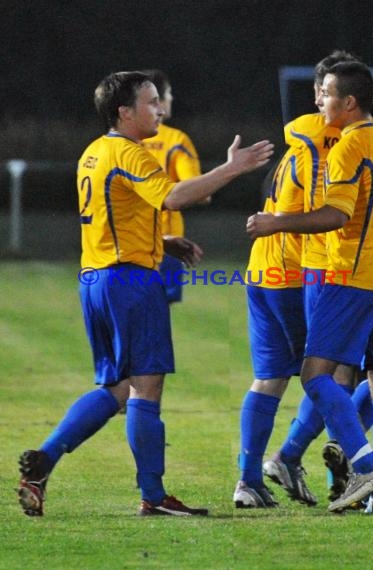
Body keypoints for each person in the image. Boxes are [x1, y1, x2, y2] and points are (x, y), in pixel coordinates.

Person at [17, 70, 273, 517]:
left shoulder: (94, 152)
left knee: (116, 387)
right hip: (131, 282)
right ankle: (153, 496)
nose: (159, 109)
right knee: (145, 387)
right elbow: (173, 197)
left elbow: (117, 211)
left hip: (97, 277)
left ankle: (46, 459)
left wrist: (162, 242)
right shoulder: (131, 152)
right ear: (125, 112)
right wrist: (231, 168)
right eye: (151, 102)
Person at [247, 60, 373, 512]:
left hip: (350, 277)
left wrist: (275, 223)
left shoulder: (349, 147)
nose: (318, 101)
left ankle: (365, 467)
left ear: (347, 102)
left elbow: (336, 215)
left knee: (317, 375)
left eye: (324, 93)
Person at [233, 140, 309, 508]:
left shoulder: (291, 155)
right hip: (294, 276)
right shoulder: (323, 156)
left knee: (269, 378)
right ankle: (290, 458)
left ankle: (247, 480)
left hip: (262, 270)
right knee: (339, 374)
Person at [141, 69, 203, 303]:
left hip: (126, 240)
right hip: (166, 239)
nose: (171, 99)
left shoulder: (121, 141)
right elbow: (195, 190)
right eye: (168, 93)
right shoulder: (176, 140)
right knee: (157, 315)